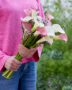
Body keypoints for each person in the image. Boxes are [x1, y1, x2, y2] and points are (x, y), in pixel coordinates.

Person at [0, 0, 45, 90]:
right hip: (4, 68)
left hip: (30, 65)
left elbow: (43, 29)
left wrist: (34, 49)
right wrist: (3, 60)